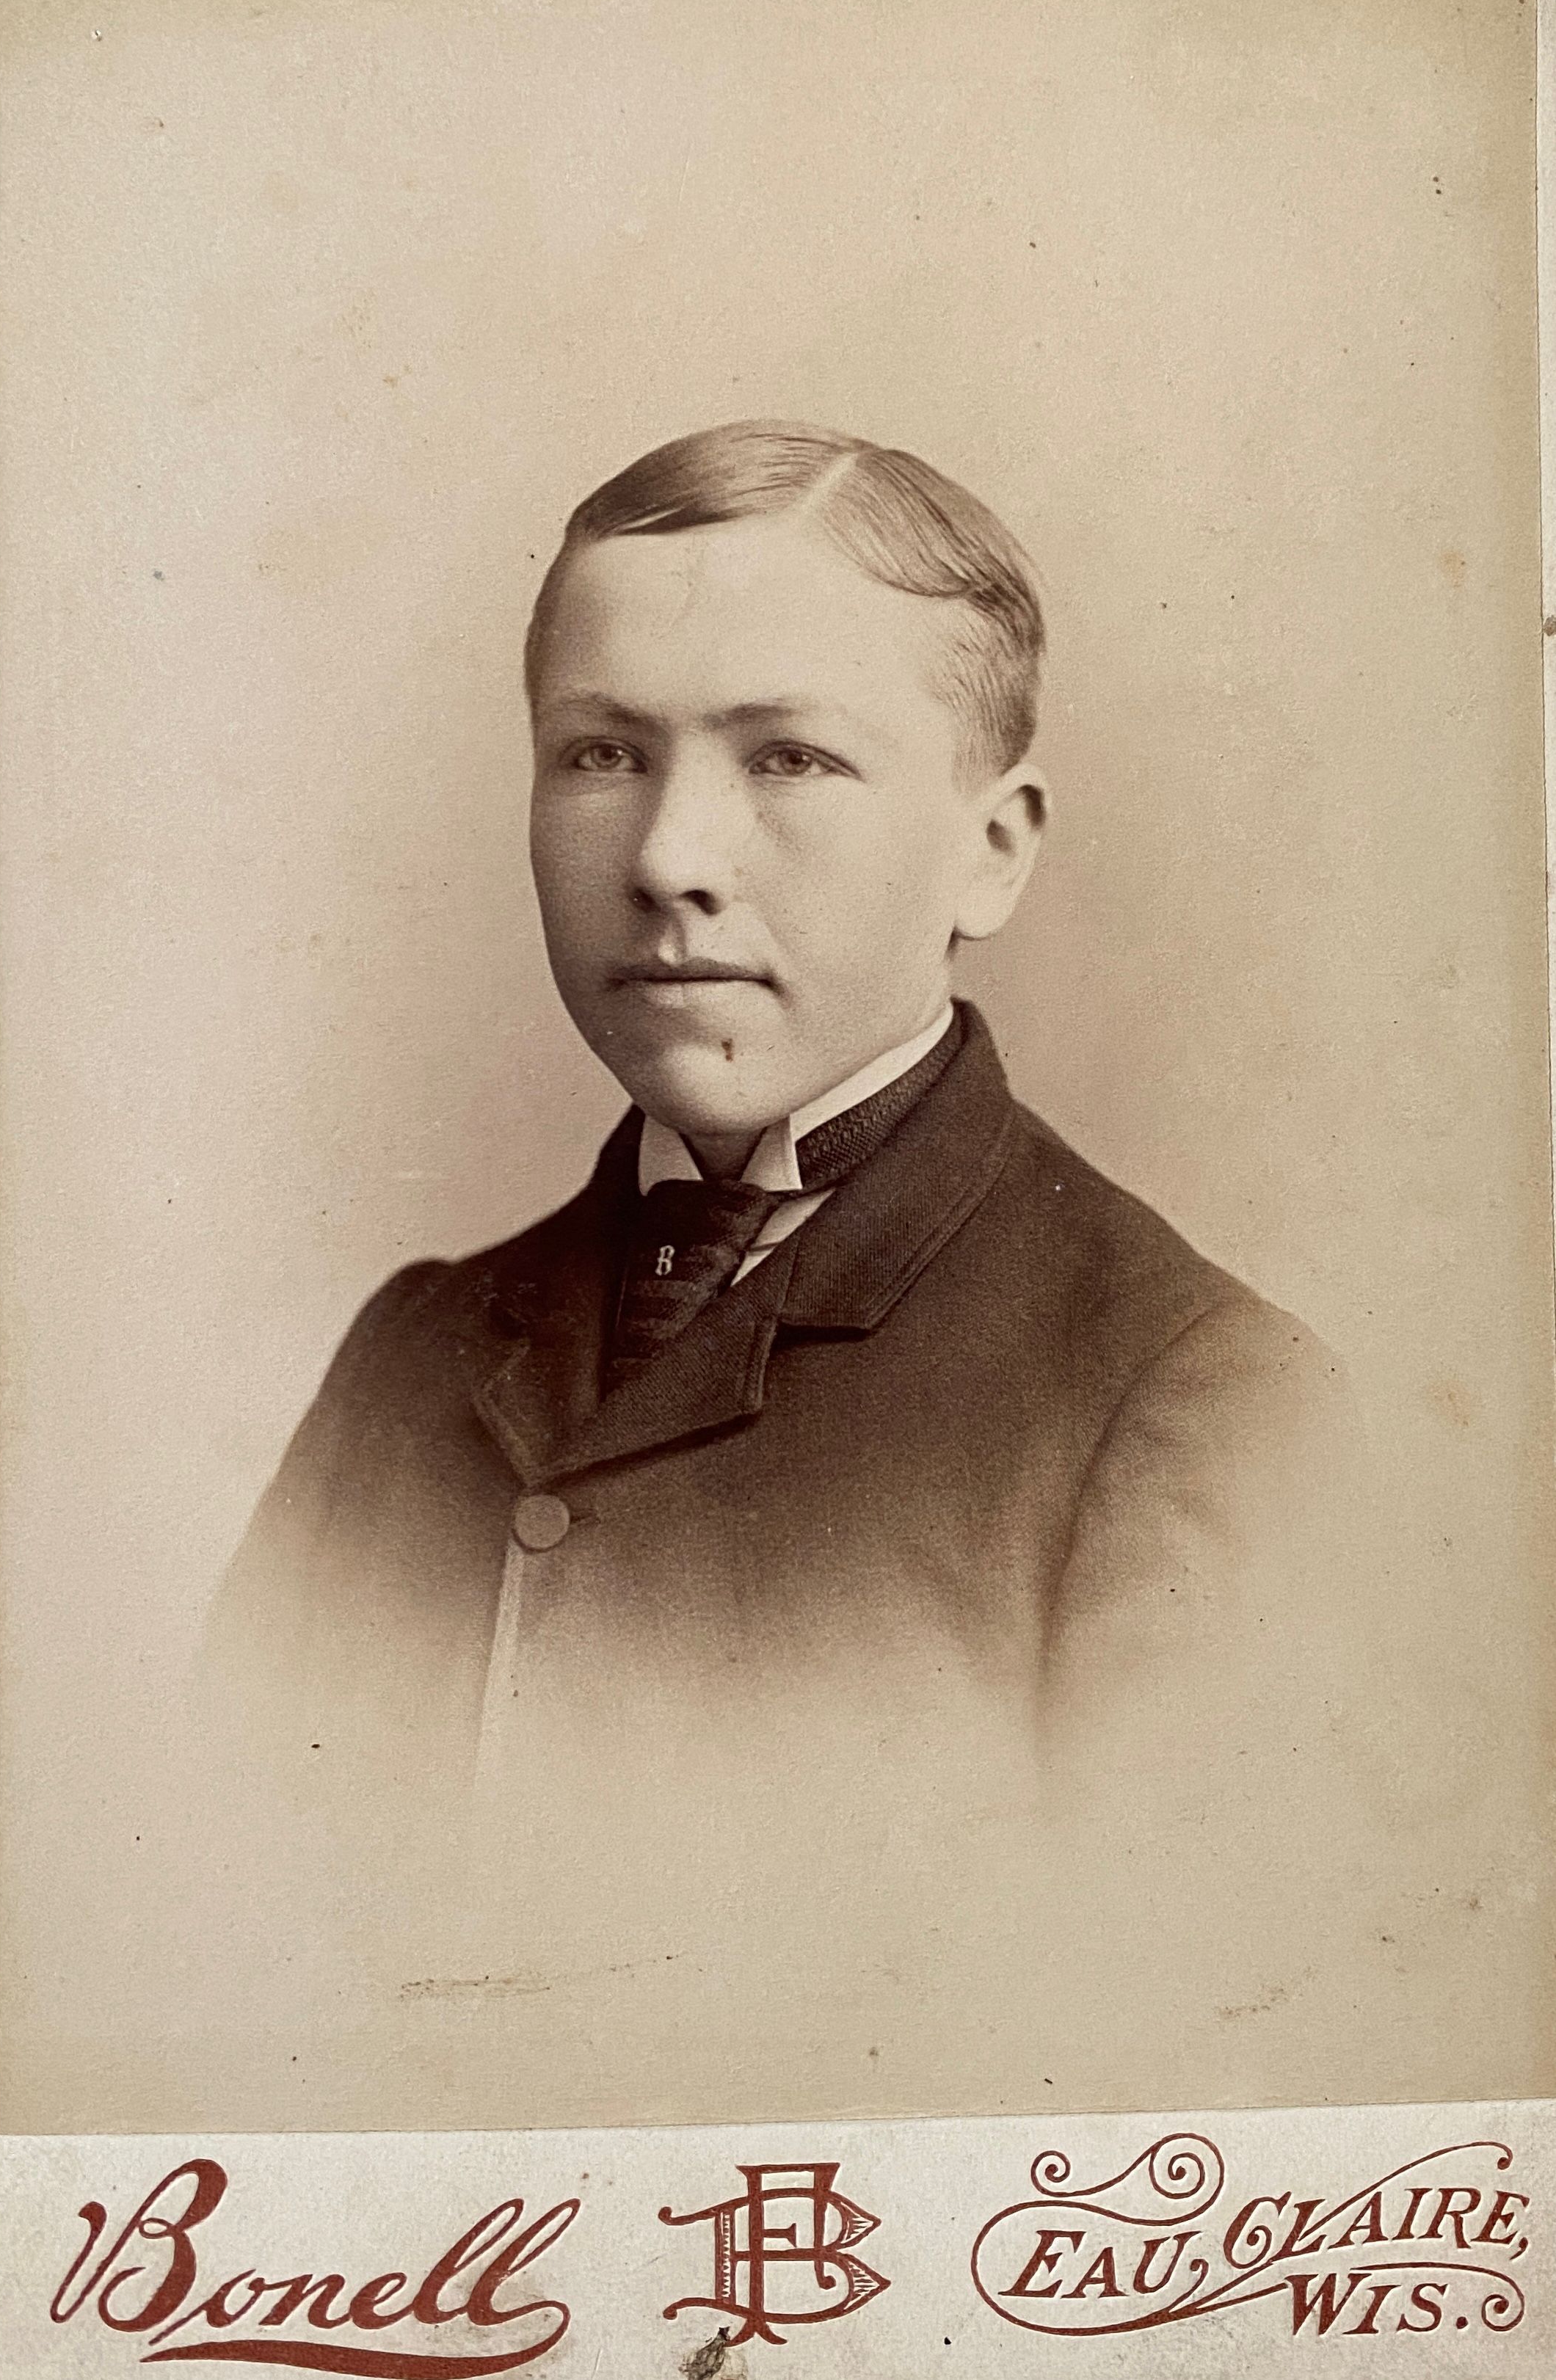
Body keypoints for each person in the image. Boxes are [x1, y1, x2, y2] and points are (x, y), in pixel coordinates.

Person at [203, 422, 1375, 2125]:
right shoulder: (413, 1349)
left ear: (992, 849)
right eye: (600, 753)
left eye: (789, 759)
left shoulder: (1195, 1403)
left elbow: (1166, 2100)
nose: (668, 857)